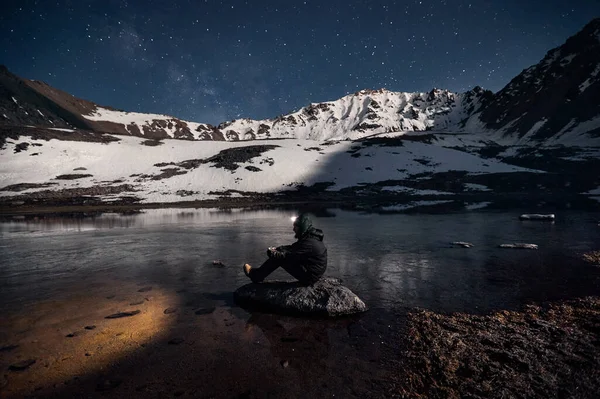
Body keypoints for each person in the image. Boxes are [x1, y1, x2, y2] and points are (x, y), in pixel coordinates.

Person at [243, 213, 327, 285]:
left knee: (278, 259)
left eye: (296, 227)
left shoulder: (309, 243)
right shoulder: (310, 238)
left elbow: (290, 256)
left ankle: (256, 276)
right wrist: (279, 249)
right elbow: (294, 248)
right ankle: (258, 275)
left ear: (302, 227)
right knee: (280, 255)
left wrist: (275, 254)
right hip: (312, 272)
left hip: (309, 277)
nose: (293, 229)